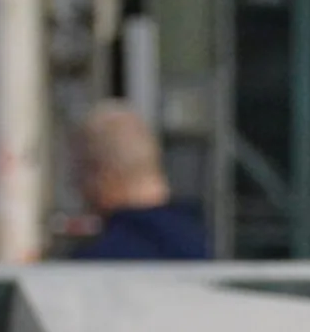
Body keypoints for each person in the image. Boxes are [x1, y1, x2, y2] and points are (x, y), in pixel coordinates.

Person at [70, 100, 210, 260]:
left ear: (105, 177)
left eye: (80, 174)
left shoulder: (98, 262)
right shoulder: (204, 242)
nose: (78, 187)